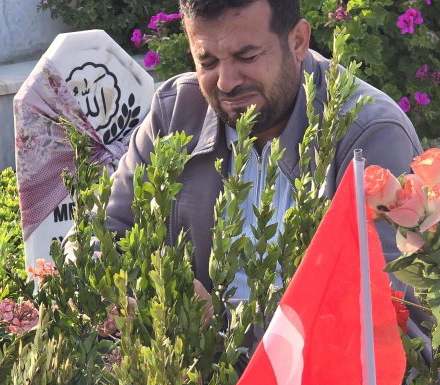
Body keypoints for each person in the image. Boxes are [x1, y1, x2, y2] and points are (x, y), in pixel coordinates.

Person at [93, 0, 422, 304]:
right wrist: (157, 293)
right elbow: (98, 239)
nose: (225, 82)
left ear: (297, 42)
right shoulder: (175, 112)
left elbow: (384, 304)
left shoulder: (370, 135)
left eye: (246, 57)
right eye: (207, 61)